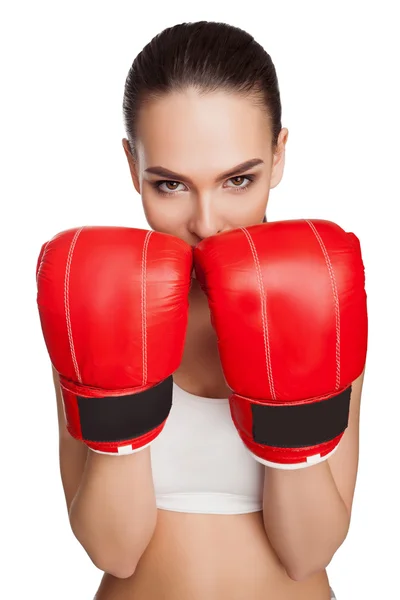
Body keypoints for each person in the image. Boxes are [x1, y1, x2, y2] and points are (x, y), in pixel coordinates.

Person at [43, 21, 367, 600]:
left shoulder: (317, 288)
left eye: (239, 179)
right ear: (131, 165)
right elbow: (114, 551)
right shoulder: (94, 289)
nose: (206, 221)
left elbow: (308, 553)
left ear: (279, 154)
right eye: (169, 185)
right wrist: (121, 377)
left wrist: (286, 384)